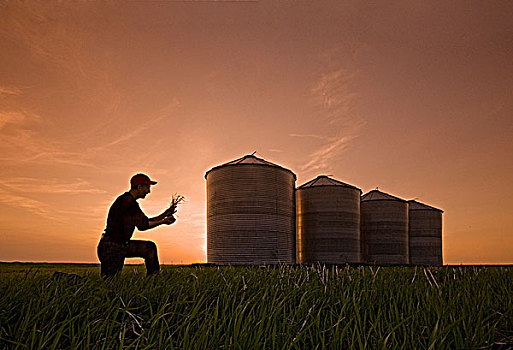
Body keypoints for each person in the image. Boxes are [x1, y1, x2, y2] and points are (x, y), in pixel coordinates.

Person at [97, 173, 176, 277]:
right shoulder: (128, 202)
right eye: (147, 187)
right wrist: (163, 222)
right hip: (112, 248)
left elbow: (143, 221)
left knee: (149, 248)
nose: (149, 191)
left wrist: (165, 214)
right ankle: (153, 280)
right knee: (110, 283)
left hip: (120, 245)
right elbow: (144, 225)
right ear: (139, 187)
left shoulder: (128, 200)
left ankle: (154, 281)